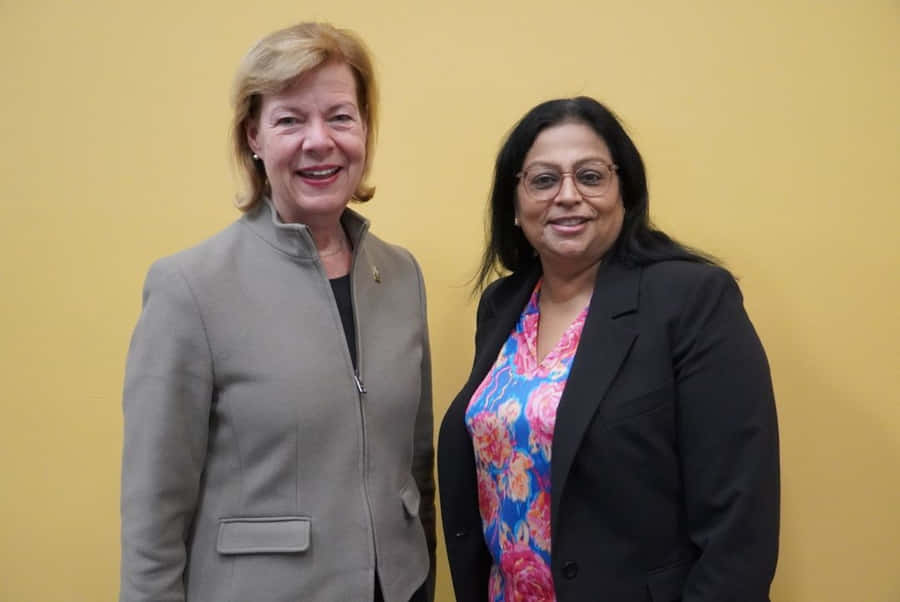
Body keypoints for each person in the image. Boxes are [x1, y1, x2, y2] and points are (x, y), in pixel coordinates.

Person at [120, 23, 434, 602]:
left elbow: (415, 463)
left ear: (365, 128)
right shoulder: (189, 288)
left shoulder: (400, 275)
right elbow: (153, 515)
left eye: (340, 116)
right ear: (254, 139)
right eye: (290, 120)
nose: (320, 141)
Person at [438, 97, 779, 601]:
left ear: (626, 193)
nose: (568, 195)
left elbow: (740, 522)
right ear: (514, 203)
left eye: (591, 176)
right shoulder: (502, 305)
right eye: (543, 179)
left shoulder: (691, 300)